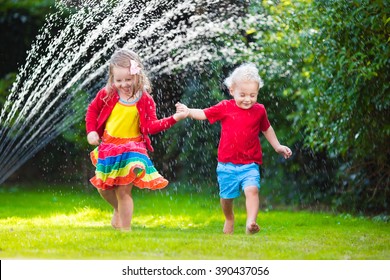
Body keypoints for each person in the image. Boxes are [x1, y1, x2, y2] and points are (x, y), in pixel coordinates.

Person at [176, 63, 292, 234]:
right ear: (232, 91)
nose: (248, 99)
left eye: (253, 95)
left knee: (252, 190)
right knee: (226, 197)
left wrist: (277, 146)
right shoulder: (225, 107)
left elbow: (267, 129)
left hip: (250, 163)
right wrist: (189, 112)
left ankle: (251, 223)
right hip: (226, 164)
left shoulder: (259, 110)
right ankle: (229, 218)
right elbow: (205, 113)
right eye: (243, 94)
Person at [85, 48, 187, 231]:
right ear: (112, 78)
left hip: (133, 148)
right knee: (103, 188)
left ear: (137, 76)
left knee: (123, 190)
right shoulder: (107, 93)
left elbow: (150, 127)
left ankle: (126, 230)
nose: (123, 84)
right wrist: (91, 131)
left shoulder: (145, 99)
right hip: (109, 146)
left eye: (128, 79)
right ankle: (118, 210)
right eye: (119, 80)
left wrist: (174, 119)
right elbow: (92, 111)